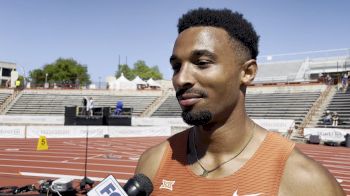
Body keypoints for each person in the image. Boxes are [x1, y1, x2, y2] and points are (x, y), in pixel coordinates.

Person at [135, 8, 345, 195]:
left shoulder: (305, 181)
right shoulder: (153, 163)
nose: (181, 79)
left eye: (202, 63)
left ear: (247, 72)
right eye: (176, 67)